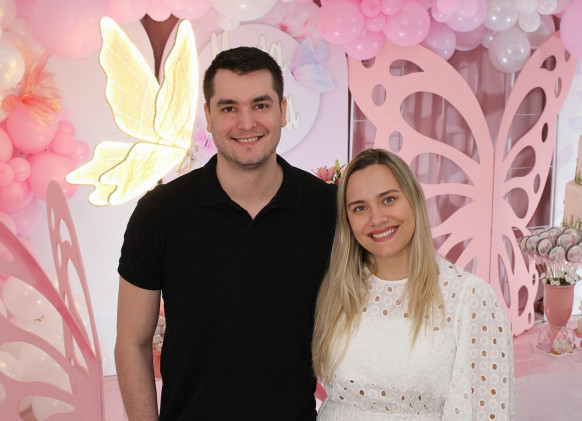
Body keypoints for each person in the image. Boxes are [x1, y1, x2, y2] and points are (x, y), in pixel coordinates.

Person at [115, 46, 336, 420]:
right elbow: (132, 342)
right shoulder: (159, 212)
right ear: (208, 116)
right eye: (229, 108)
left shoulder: (327, 209)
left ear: (283, 111)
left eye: (260, 105)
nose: (246, 123)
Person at [312, 148, 515, 420]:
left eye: (388, 200)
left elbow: (487, 410)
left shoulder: (468, 297)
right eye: (360, 208)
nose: (376, 218)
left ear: (414, 200)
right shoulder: (336, 288)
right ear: (347, 220)